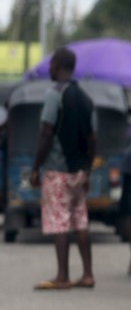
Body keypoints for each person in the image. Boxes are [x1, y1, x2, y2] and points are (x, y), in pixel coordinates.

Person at [31, 47, 96, 290]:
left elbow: (46, 133)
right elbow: (92, 138)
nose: (49, 69)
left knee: (59, 221)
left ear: (57, 65)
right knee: (80, 220)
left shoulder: (54, 95)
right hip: (79, 171)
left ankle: (63, 276)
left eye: (50, 64)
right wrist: (87, 170)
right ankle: (88, 274)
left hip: (57, 169)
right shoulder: (84, 97)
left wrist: (36, 167)